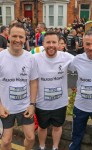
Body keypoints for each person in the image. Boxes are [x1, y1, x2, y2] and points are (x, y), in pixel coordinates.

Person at [0, 22, 38, 150]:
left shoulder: (30, 58)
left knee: (31, 137)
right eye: (14, 36)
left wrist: (32, 104)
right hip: (6, 108)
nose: (18, 40)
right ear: (8, 36)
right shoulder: (1, 57)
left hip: (24, 107)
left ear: (25, 39)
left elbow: (33, 82)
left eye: (21, 37)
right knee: (6, 141)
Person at [34, 31, 74, 150]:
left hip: (59, 103)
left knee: (57, 127)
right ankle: (42, 146)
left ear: (59, 44)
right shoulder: (35, 58)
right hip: (42, 103)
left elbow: (84, 63)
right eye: (48, 42)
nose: (51, 45)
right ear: (43, 44)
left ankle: (55, 147)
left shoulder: (66, 57)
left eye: (54, 42)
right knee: (42, 127)